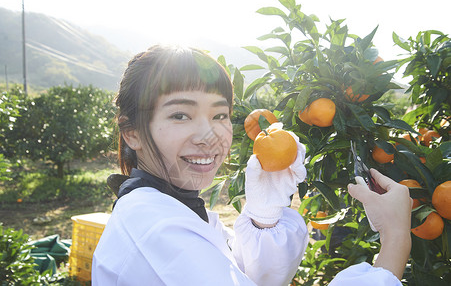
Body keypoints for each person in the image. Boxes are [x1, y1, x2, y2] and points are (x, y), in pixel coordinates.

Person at [92, 45, 412, 286]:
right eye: (180, 115)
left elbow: (240, 277)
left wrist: (264, 217)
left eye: (219, 115)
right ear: (131, 132)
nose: (208, 135)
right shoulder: (159, 230)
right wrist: (396, 238)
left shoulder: (168, 210)